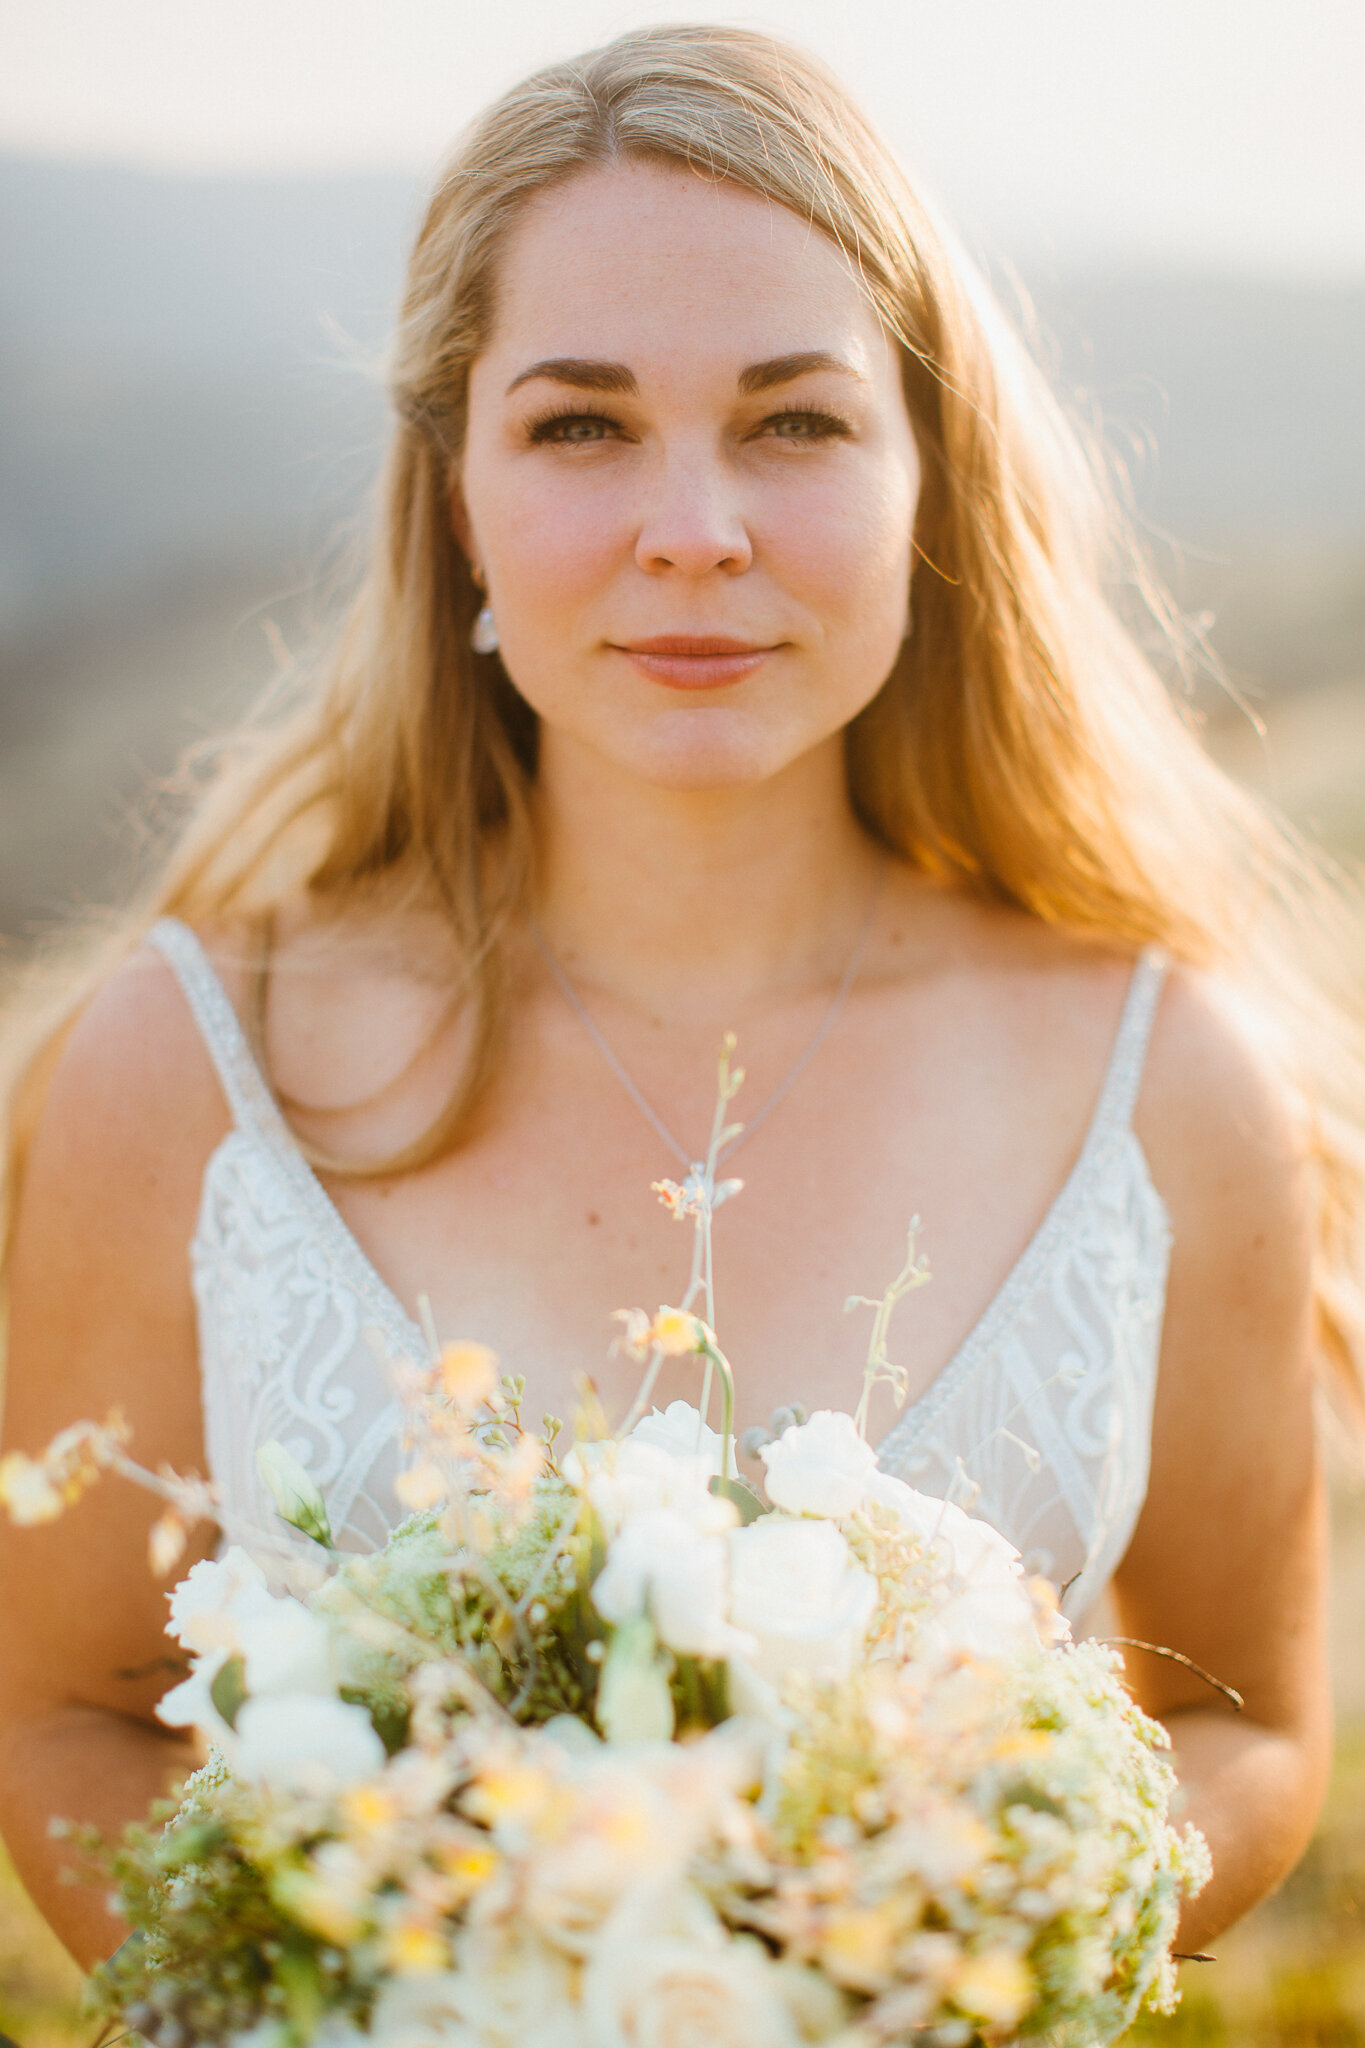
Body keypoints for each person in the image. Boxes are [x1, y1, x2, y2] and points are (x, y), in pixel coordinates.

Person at [0, 22, 1357, 1977]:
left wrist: (972, 1929)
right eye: (580, 424)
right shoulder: (196, 1066)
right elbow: (68, 1720)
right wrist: (389, 1998)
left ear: (923, 477)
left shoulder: (1159, 1085)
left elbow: (1245, 1726)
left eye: (794, 421)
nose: (695, 526)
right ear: (457, 493)